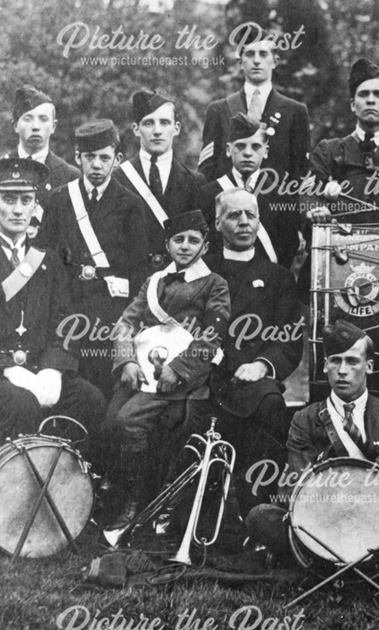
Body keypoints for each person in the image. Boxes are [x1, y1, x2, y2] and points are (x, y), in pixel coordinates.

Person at [0, 157, 106, 459]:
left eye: (26, 200)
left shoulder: (49, 261)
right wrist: (7, 368)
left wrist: (54, 369)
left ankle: (63, 487)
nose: (17, 209)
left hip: (38, 370)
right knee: (20, 403)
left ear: (34, 207)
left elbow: (66, 324)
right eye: (8, 199)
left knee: (89, 399)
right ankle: (5, 497)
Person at [244, 320, 379, 563]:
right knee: (261, 517)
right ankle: (378, 558)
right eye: (335, 360)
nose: (343, 370)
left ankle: (310, 557)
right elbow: (297, 485)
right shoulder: (304, 419)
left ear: (368, 366)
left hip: (374, 515)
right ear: (325, 366)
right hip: (320, 517)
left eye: (352, 361)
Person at [105, 210, 230, 531]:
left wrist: (179, 369)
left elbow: (211, 335)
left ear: (204, 246)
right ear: (167, 244)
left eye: (193, 240)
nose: (185, 247)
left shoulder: (215, 284)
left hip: (190, 374)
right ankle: (119, 496)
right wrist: (126, 360)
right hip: (146, 367)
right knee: (109, 422)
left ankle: (137, 502)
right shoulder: (153, 281)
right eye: (179, 240)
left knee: (128, 420)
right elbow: (125, 323)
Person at [202, 187, 303, 509]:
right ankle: (192, 508)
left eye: (251, 215)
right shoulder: (200, 271)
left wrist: (261, 365)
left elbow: (288, 338)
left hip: (250, 378)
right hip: (201, 374)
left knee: (270, 403)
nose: (244, 222)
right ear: (217, 224)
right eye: (234, 215)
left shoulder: (278, 277)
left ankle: (256, 509)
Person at [36, 119, 151, 398]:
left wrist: (130, 324)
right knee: (71, 390)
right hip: (68, 311)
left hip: (111, 315)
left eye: (104, 158)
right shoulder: (59, 201)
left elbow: (138, 270)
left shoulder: (131, 205)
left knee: (105, 390)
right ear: (78, 158)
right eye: (90, 158)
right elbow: (44, 261)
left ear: (117, 159)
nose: (97, 165)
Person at [307, 57, 379, 228]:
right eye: (363, 94)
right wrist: (318, 209)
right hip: (336, 246)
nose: (370, 100)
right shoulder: (328, 150)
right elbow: (309, 195)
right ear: (353, 105)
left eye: (378, 94)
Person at [198, 26, 310, 183]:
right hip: (230, 203)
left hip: (276, 203)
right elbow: (207, 172)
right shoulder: (218, 110)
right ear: (240, 62)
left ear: (275, 61)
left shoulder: (295, 111)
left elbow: (300, 172)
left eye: (263, 54)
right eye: (250, 54)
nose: (256, 60)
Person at [115, 89, 209, 273]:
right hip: (132, 289)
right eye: (149, 123)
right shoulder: (118, 179)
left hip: (179, 289)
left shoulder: (196, 183)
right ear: (136, 129)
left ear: (176, 128)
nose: (157, 131)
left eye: (164, 123)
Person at [201, 113, 301, 268]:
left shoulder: (281, 196)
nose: (248, 153)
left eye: (255, 147)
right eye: (240, 146)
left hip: (268, 281)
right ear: (228, 149)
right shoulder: (208, 194)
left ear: (266, 151)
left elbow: (289, 246)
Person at [3, 85, 80, 235]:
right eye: (28, 119)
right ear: (15, 125)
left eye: (43, 119)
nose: (36, 127)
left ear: (53, 126)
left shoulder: (70, 177)